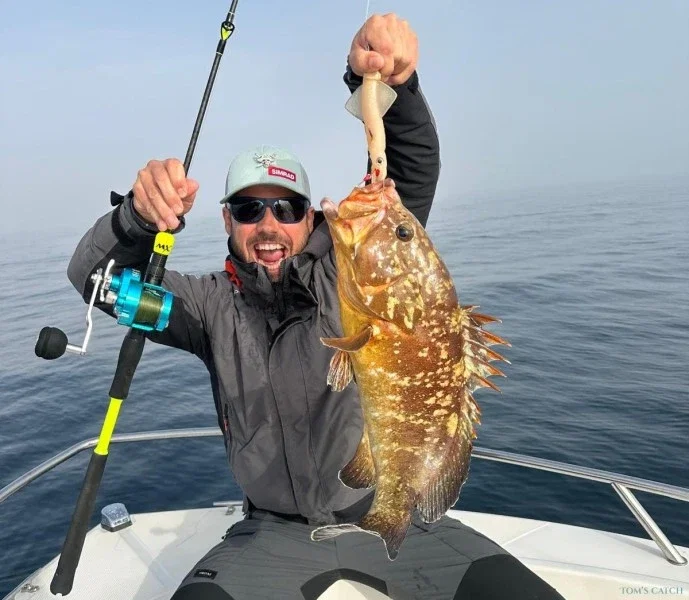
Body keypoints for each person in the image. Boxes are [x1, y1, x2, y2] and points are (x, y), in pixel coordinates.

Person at [68, 13, 565, 600]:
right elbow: (95, 279)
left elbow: (408, 171)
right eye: (249, 210)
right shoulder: (205, 307)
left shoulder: (353, 270)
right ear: (226, 220)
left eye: (286, 208)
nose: (269, 225)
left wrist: (389, 86)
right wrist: (134, 217)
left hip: (396, 513)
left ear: (310, 218)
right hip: (270, 533)